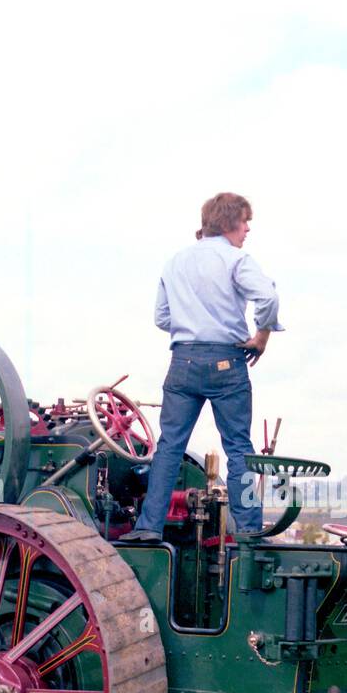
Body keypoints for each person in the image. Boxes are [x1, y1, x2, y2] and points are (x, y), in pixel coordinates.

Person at [123, 191, 283, 542]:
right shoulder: (237, 260)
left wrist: (191, 324)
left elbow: (162, 317)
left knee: (169, 446)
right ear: (229, 222)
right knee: (238, 447)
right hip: (227, 361)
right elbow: (268, 297)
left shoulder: (175, 262)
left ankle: (148, 526)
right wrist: (262, 337)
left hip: (182, 360)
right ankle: (249, 531)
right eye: (245, 222)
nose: (247, 231)